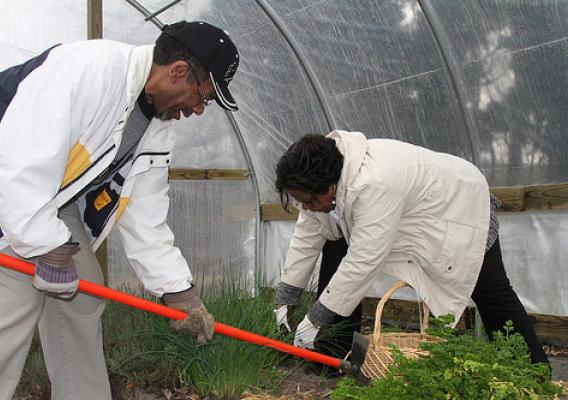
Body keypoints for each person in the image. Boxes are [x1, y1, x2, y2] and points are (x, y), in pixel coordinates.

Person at [0, 21, 239, 399]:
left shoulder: (158, 123)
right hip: (11, 187)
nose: (197, 110)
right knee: (13, 302)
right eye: (203, 98)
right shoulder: (89, 70)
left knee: (83, 295)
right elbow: (18, 162)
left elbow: (146, 218)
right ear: (178, 72)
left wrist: (181, 295)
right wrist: (47, 248)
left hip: (46, 199)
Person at [273, 131, 549, 369]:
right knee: (334, 240)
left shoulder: (373, 183)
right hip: (412, 211)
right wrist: (286, 297)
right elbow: (307, 234)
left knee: (491, 292)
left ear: (330, 187)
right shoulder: (328, 179)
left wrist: (316, 317)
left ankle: (533, 370)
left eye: (308, 200)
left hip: (461, 212)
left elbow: (363, 261)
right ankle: (334, 358)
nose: (306, 207)